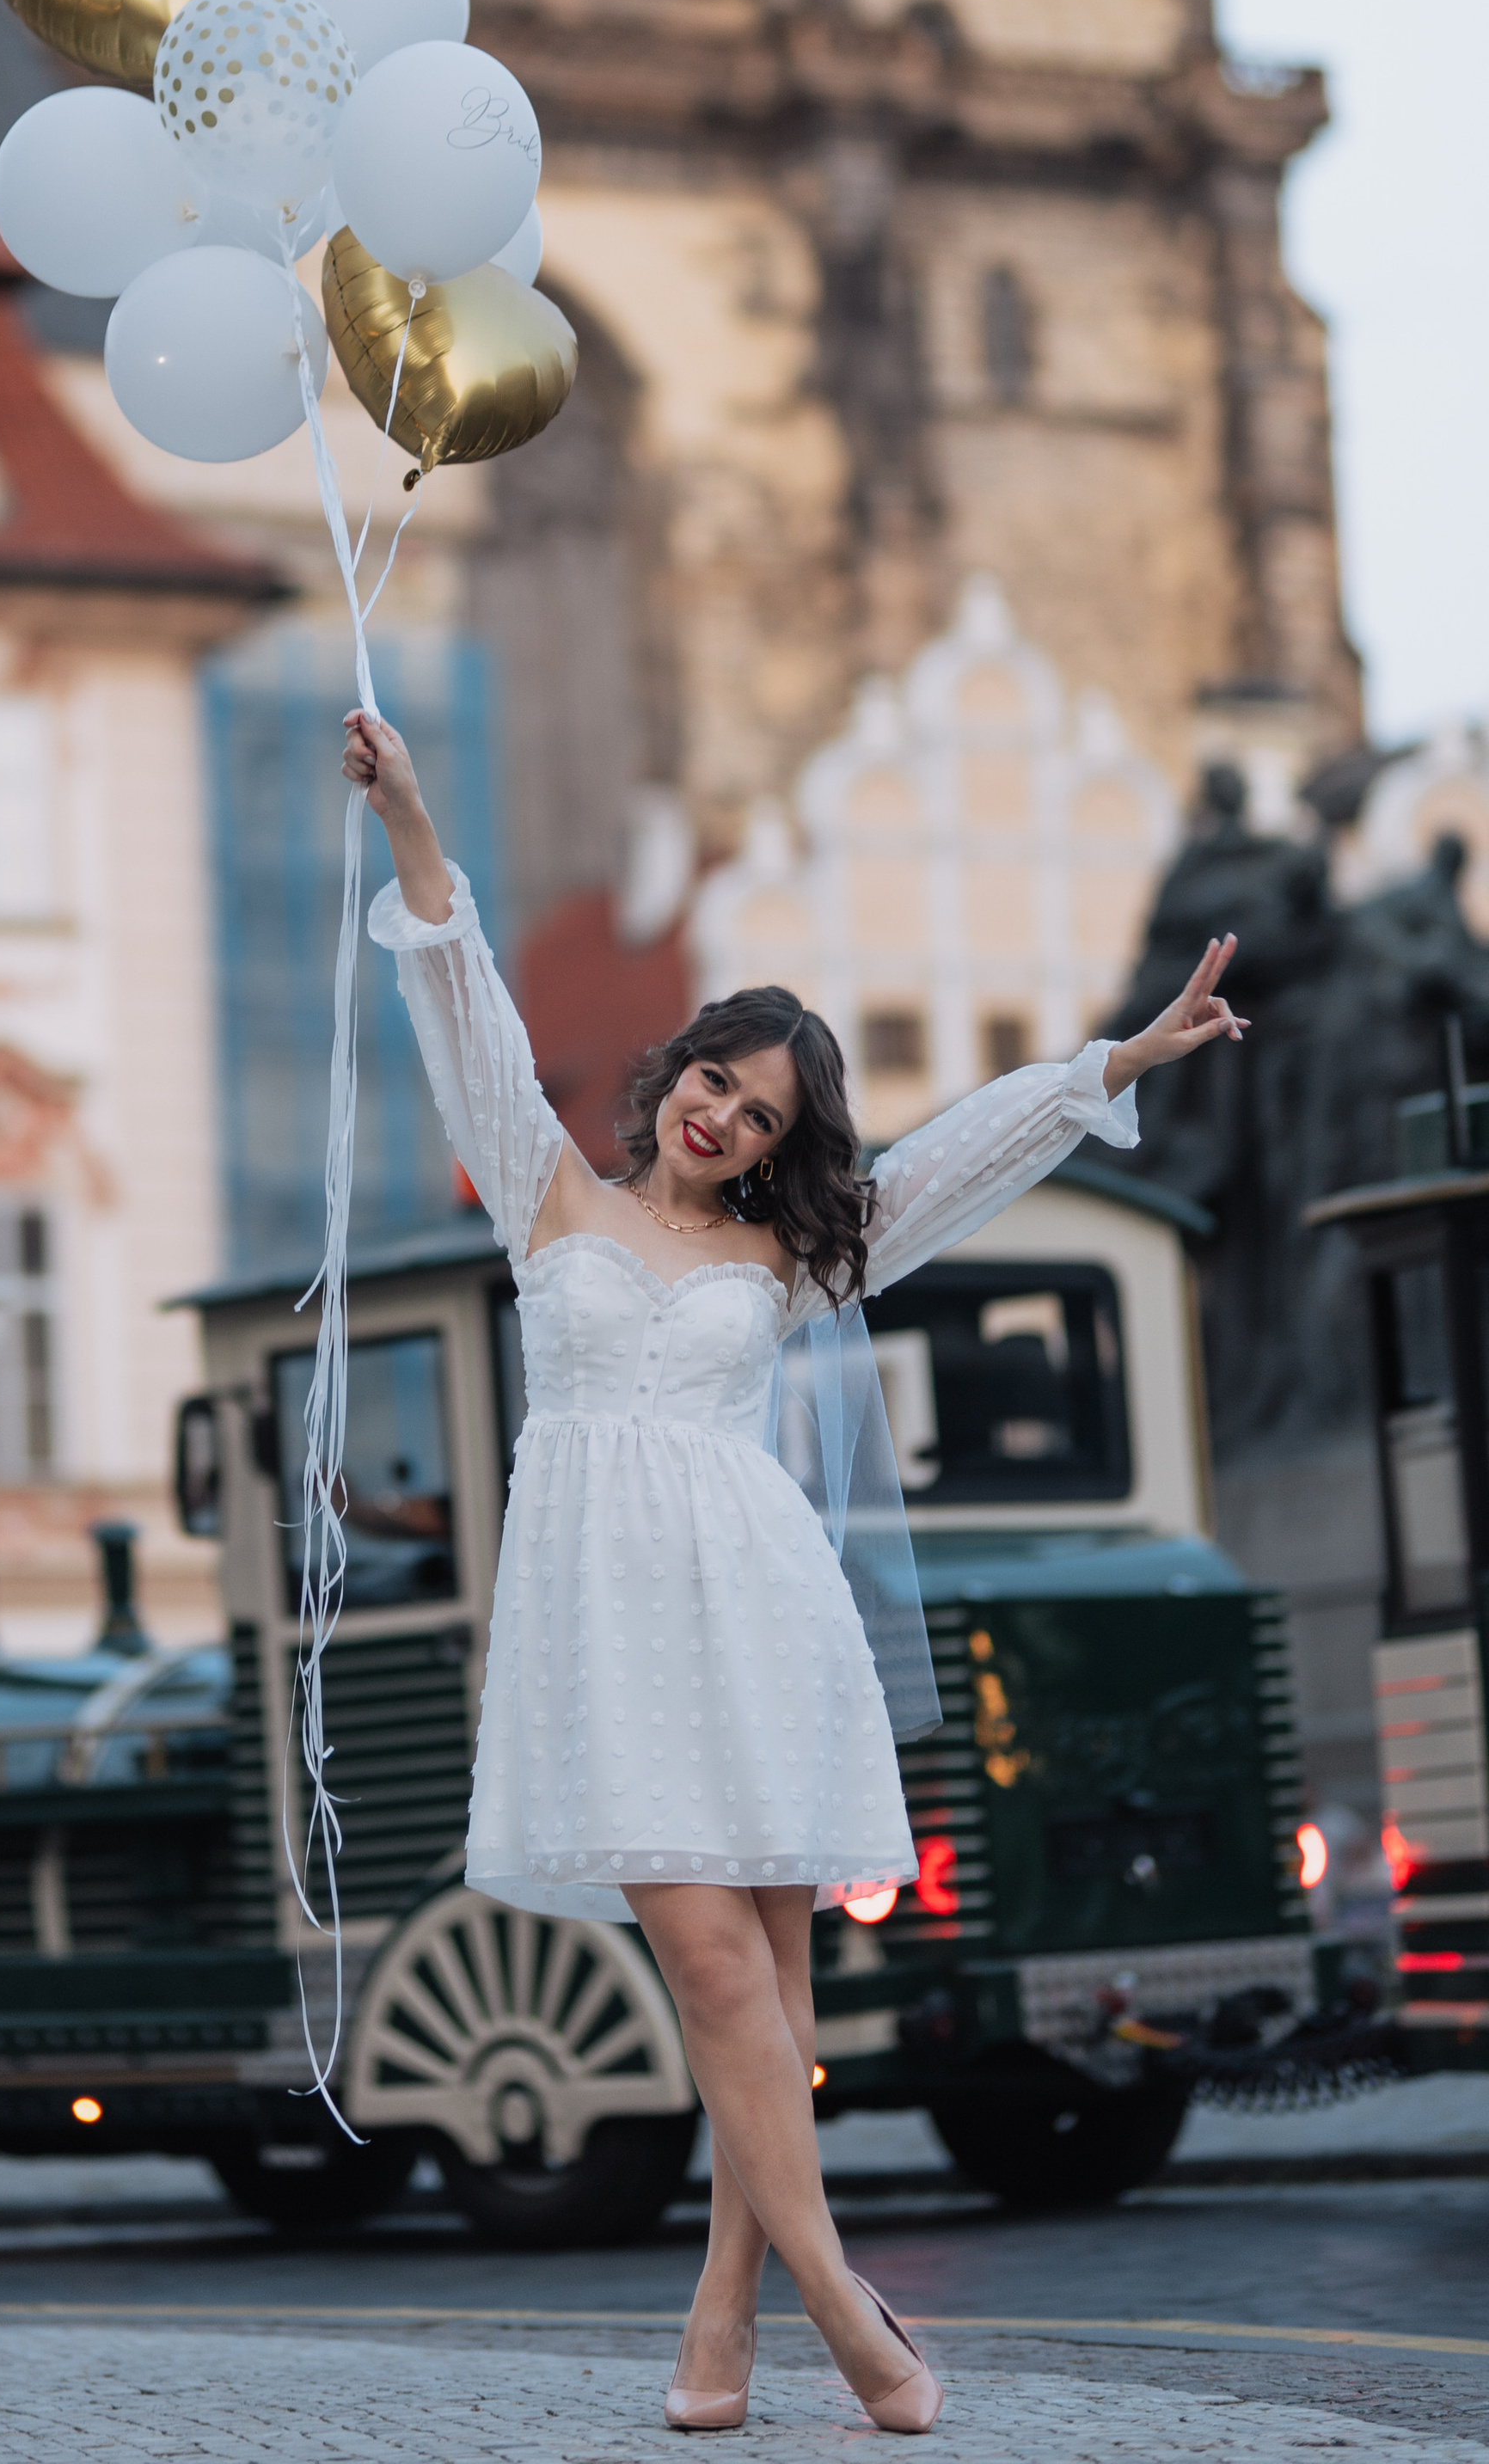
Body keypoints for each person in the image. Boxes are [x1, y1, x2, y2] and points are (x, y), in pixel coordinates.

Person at [343, 708, 1247, 2437]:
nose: (719, 1120)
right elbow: (456, 988)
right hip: (599, 1622)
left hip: (754, 1610)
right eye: (711, 1082)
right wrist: (409, 817)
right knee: (708, 1964)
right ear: (672, 1071)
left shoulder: (794, 1256)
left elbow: (960, 1155)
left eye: (757, 1116)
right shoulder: (541, 1194)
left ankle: (717, 2335)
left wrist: (1117, 1063)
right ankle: (841, 2301)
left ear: (773, 1144)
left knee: (766, 1976)